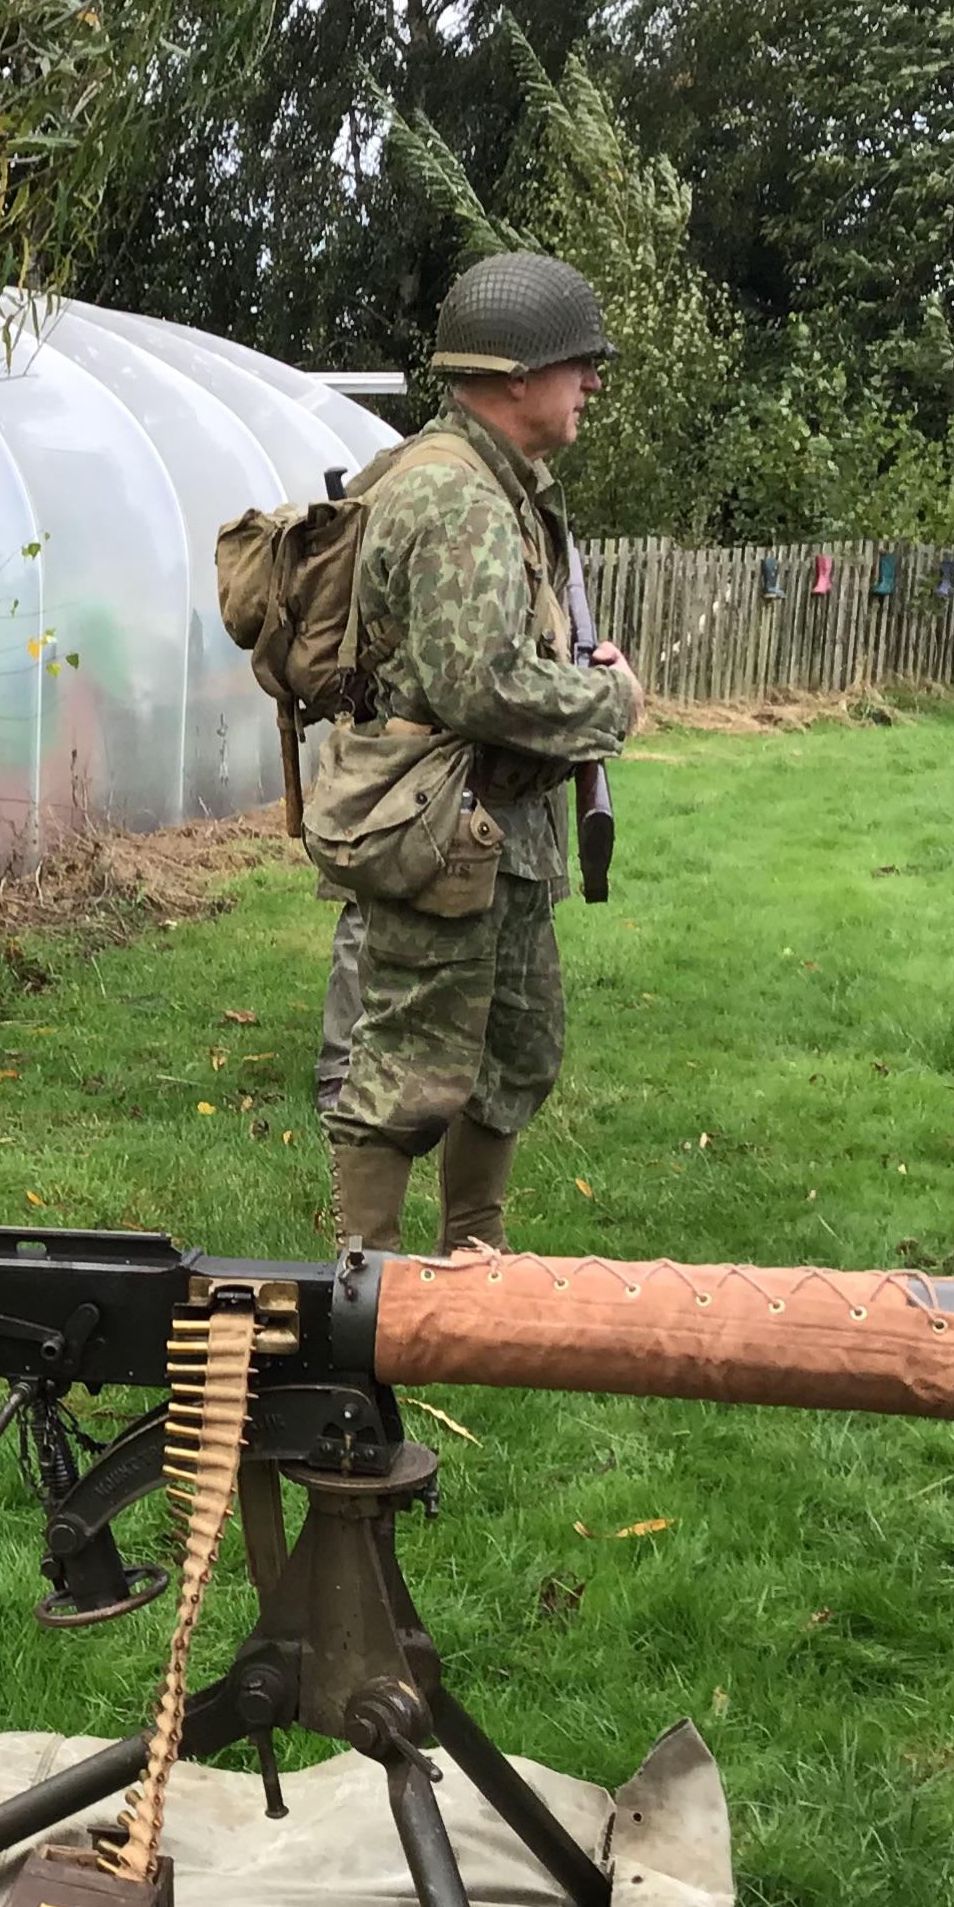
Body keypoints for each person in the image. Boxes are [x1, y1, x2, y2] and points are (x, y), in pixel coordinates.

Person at [315, 250, 640, 1254]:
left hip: (499, 832)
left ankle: (475, 1265)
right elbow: (479, 684)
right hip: (445, 833)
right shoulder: (457, 498)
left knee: (514, 1052)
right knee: (408, 1065)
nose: (593, 383)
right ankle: (365, 1289)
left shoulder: (497, 483)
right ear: (515, 375)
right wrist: (611, 701)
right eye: (579, 363)